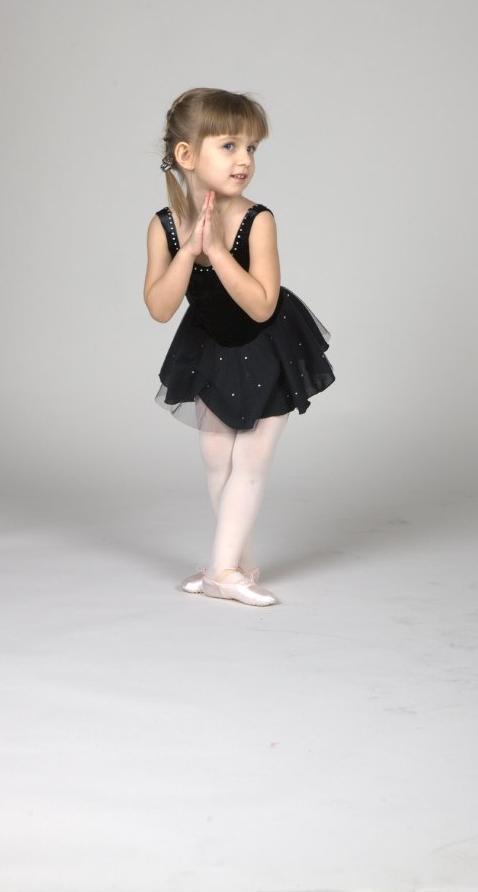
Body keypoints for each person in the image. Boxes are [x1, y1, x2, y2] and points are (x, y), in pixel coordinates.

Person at [144, 88, 335, 607]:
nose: (245, 159)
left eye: (251, 148)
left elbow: (261, 305)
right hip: (211, 345)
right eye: (229, 146)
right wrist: (189, 251)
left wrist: (218, 253)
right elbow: (160, 307)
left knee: (250, 460)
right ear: (187, 155)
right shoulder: (164, 226)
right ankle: (234, 564)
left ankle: (222, 571)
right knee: (216, 460)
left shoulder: (259, 219)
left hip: (268, 344)